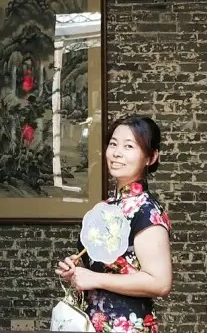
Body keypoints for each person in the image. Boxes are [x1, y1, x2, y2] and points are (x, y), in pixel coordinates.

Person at [55, 115, 172, 332]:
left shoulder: (146, 211)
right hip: (93, 323)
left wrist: (94, 278)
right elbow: (103, 271)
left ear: (151, 157)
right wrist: (77, 271)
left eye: (129, 146)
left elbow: (160, 283)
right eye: (113, 144)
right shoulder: (106, 207)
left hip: (127, 326)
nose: (117, 153)